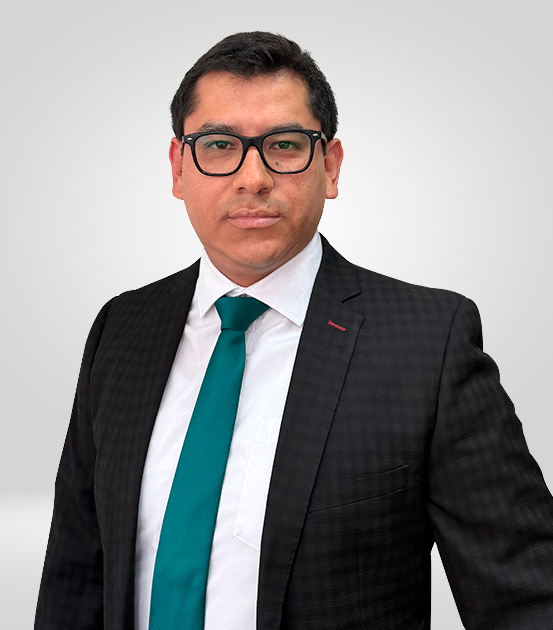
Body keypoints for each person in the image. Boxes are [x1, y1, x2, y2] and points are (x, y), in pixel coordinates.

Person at [35, 31, 553, 630]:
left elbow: (526, 596)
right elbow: (75, 576)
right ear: (178, 168)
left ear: (329, 166)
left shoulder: (428, 345)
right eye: (219, 145)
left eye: (284, 145)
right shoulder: (122, 329)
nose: (252, 178)